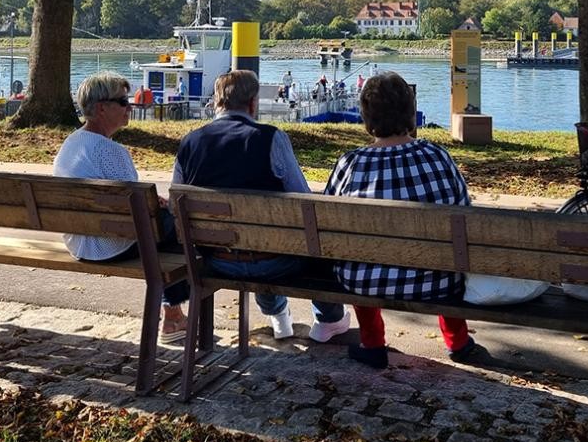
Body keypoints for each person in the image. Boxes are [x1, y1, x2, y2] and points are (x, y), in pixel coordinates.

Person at [324, 71, 487, 369]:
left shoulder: (351, 163)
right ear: (410, 111)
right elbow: (464, 213)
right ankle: (459, 342)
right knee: (447, 251)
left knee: (359, 253)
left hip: (365, 282)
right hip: (437, 281)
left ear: (366, 116)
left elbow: (327, 221)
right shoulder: (438, 155)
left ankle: (372, 343)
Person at [173, 69, 351, 342]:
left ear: (217, 102)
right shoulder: (270, 138)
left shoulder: (189, 142)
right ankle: (328, 318)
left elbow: (177, 202)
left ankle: (279, 319)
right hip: (274, 260)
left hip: (216, 259)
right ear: (253, 103)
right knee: (306, 235)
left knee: (257, 238)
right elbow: (303, 200)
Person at [54, 72, 188, 343]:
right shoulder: (110, 151)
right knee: (181, 227)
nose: (130, 107)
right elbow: (138, 212)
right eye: (123, 101)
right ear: (102, 108)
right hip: (107, 245)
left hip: (78, 240)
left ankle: (173, 315)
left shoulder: (71, 143)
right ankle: (172, 317)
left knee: (165, 222)